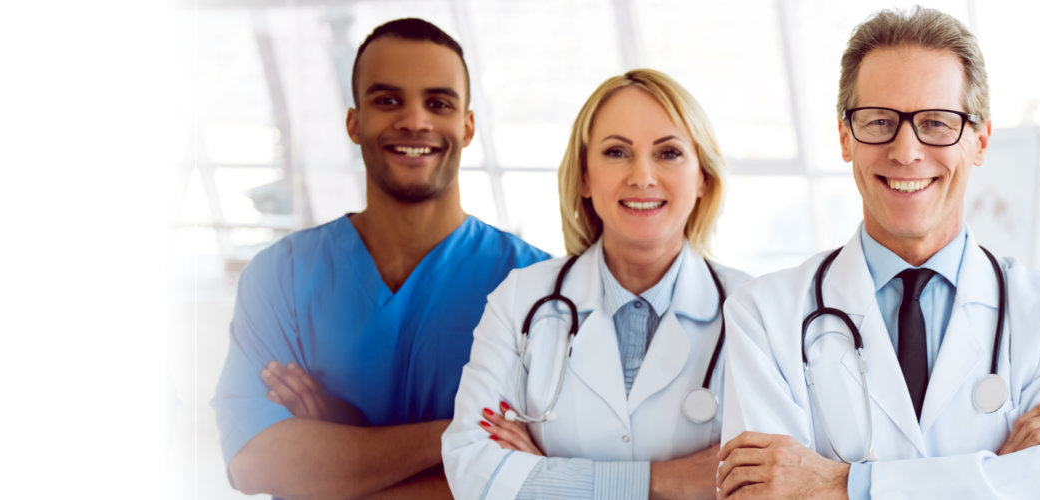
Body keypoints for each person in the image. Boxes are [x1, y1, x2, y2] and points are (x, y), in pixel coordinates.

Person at [714, 6, 1040, 499]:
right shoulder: (765, 316)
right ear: (845, 137)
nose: (906, 151)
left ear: (980, 139)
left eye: (936, 122)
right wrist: (1000, 474)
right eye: (879, 121)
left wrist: (841, 484)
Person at [211, 18, 549, 499]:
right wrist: (463, 434)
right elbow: (255, 463)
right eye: (387, 101)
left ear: (468, 125)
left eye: (438, 103)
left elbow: (536, 478)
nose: (415, 121)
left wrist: (333, 453)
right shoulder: (281, 276)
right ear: (354, 122)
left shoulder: (539, 287)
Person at [440, 68, 749, 500]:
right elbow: (474, 472)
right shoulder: (520, 301)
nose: (642, 176)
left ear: (703, 178)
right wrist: (666, 481)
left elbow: (762, 485)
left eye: (669, 153)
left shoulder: (753, 312)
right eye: (617, 152)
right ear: (584, 176)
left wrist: (542, 473)